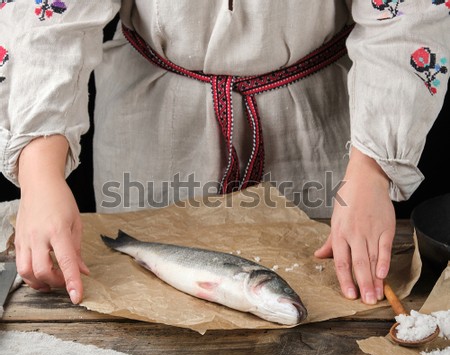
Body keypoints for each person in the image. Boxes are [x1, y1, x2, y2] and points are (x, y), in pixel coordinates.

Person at [0, 1, 448, 306]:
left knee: (319, 292)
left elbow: (406, 13)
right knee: (146, 301)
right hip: (154, 125)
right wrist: (40, 173)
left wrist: (371, 169)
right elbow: (48, 14)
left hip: (321, 128)